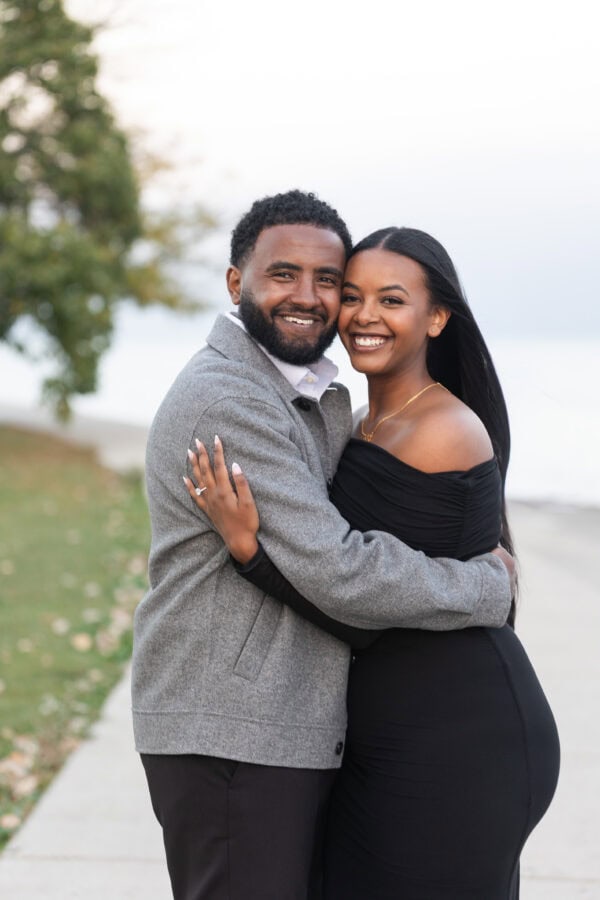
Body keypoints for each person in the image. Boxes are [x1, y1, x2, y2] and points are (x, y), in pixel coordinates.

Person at [132, 192, 514, 900]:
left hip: (284, 727)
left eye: (326, 280)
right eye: (283, 275)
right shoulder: (231, 399)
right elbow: (339, 568)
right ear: (236, 283)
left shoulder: (315, 398)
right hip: (232, 729)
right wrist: (484, 586)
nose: (308, 297)